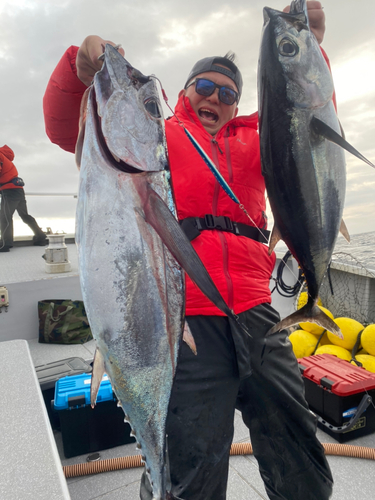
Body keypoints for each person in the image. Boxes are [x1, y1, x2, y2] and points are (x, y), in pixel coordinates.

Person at [43, 2, 334, 498]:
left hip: (258, 313)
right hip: (183, 318)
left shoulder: (258, 139)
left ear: (237, 104)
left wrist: (315, 48)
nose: (215, 98)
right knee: (191, 463)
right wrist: (79, 64)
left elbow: (304, 110)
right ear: (184, 92)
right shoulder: (156, 135)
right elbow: (66, 127)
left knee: (298, 448)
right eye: (205, 86)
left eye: (228, 93)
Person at [0, 145, 47, 252]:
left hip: (9, 191)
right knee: (24, 215)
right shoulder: (5, 157)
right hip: (18, 189)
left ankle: (5, 244)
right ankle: (41, 237)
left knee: (5, 217)